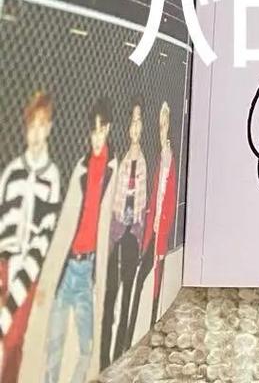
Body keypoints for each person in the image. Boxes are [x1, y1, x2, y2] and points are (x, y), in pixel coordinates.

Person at [45, 99, 116, 383]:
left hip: (87, 273)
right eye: (93, 131)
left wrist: (102, 277)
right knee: (53, 346)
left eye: (101, 131)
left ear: (108, 129)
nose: (96, 138)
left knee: (86, 350)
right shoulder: (81, 168)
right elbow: (66, 221)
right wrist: (52, 270)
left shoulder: (113, 170)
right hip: (68, 270)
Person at [0, 91, 61, 383]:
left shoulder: (52, 178)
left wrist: (9, 307)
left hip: (28, 271)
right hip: (4, 266)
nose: (35, 133)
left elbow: (40, 245)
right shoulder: (12, 172)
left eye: (41, 125)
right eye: (31, 126)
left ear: (49, 128)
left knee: (12, 341)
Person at [100, 99, 147, 368]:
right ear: (128, 128)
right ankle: (104, 357)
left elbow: (143, 205)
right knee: (110, 296)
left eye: (139, 122)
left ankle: (121, 353)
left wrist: (139, 239)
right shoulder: (122, 161)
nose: (135, 127)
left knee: (126, 296)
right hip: (117, 231)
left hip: (132, 237)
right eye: (132, 122)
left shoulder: (143, 163)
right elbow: (113, 201)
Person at [125, 102, 175, 341]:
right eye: (160, 125)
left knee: (156, 286)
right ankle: (133, 329)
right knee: (140, 279)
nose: (161, 130)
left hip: (160, 235)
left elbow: (169, 200)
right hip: (152, 234)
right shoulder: (160, 159)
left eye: (165, 125)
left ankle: (154, 323)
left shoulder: (169, 159)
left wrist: (162, 232)